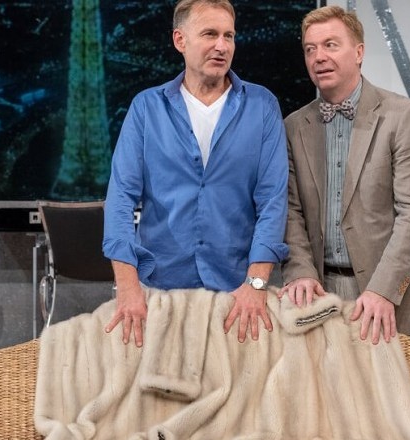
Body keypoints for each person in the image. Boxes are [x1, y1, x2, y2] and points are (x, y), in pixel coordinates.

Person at [102, 0, 289, 348]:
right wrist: (127, 287)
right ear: (180, 40)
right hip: (159, 293)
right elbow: (120, 200)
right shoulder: (147, 107)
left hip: (237, 297)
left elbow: (272, 201)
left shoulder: (262, 106)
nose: (222, 46)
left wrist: (256, 284)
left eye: (229, 36)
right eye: (210, 34)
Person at [279, 5, 410, 344]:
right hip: (322, 298)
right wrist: (300, 271)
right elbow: (290, 211)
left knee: (405, 383)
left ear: (359, 52)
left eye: (330, 45)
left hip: (399, 298)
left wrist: (383, 291)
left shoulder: (402, 116)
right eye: (310, 49)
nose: (318, 56)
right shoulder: (294, 126)